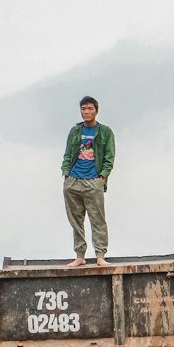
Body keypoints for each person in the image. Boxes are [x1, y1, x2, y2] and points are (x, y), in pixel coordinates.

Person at [61, 96, 115, 266]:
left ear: (96, 111)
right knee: (76, 220)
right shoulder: (75, 131)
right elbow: (68, 153)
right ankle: (80, 255)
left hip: (93, 180)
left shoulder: (105, 131)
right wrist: (66, 173)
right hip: (73, 180)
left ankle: (100, 255)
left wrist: (103, 176)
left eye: (90, 108)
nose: (86, 112)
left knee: (97, 219)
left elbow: (109, 156)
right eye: (83, 109)